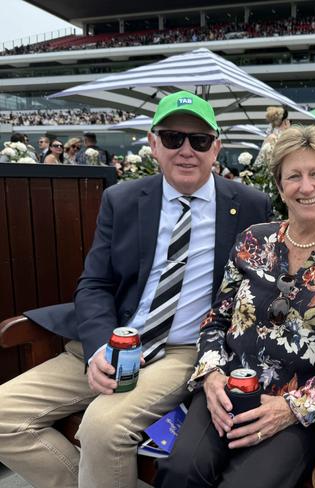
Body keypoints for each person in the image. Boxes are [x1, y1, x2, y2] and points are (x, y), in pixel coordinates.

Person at [0, 90, 274, 488]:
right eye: (172, 138)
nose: (186, 151)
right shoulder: (123, 199)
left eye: (198, 141)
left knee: (102, 428)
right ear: (153, 144)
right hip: (113, 340)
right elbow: (94, 283)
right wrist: (98, 350)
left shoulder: (249, 204)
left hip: (184, 350)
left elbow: (285, 250)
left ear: (216, 148)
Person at [156, 125, 315, 488]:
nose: (306, 187)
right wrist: (211, 376)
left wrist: (292, 407)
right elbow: (216, 320)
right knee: (180, 473)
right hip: (228, 391)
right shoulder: (252, 240)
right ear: (279, 188)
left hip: (298, 409)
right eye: (293, 176)